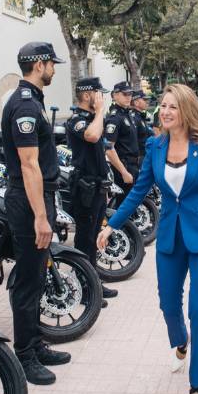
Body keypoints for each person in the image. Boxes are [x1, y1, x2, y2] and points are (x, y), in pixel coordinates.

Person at [96, 84, 198, 394]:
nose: (165, 111)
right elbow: (138, 191)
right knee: (167, 302)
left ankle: (197, 384)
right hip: (170, 237)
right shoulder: (156, 145)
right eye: (162, 105)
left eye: (173, 107)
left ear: (187, 110)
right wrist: (112, 224)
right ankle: (180, 342)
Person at [2, 41, 71, 385]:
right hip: (29, 199)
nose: (54, 69)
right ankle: (25, 356)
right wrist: (40, 216)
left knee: (39, 275)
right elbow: (29, 165)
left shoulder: (33, 101)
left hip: (37, 196)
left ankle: (35, 343)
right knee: (28, 282)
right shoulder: (25, 105)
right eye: (52, 64)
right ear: (40, 64)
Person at [66, 77, 119, 302]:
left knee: (94, 238)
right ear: (87, 95)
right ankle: (85, 289)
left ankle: (94, 282)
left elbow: (100, 152)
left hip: (97, 186)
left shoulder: (93, 118)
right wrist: (99, 112)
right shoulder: (77, 120)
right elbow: (92, 136)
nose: (102, 98)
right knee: (84, 239)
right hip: (84, 188)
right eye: (99, 94)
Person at [105, 81, 140, 206]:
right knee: (123, 205)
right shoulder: (114, 118)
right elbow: (109, 149)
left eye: (130, 94)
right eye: (125, 94)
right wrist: (124, 172)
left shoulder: (127, 114)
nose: (128, 97)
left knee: (131, 205)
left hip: (133, 164)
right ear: (115, 95)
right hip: (123, 166)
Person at [131, 90, 153, 166]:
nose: (147, 102)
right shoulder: (134, 118)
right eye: (144, 100)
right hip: (140, 157)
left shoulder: (140, 116)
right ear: (136, 102)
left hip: (147, 154)